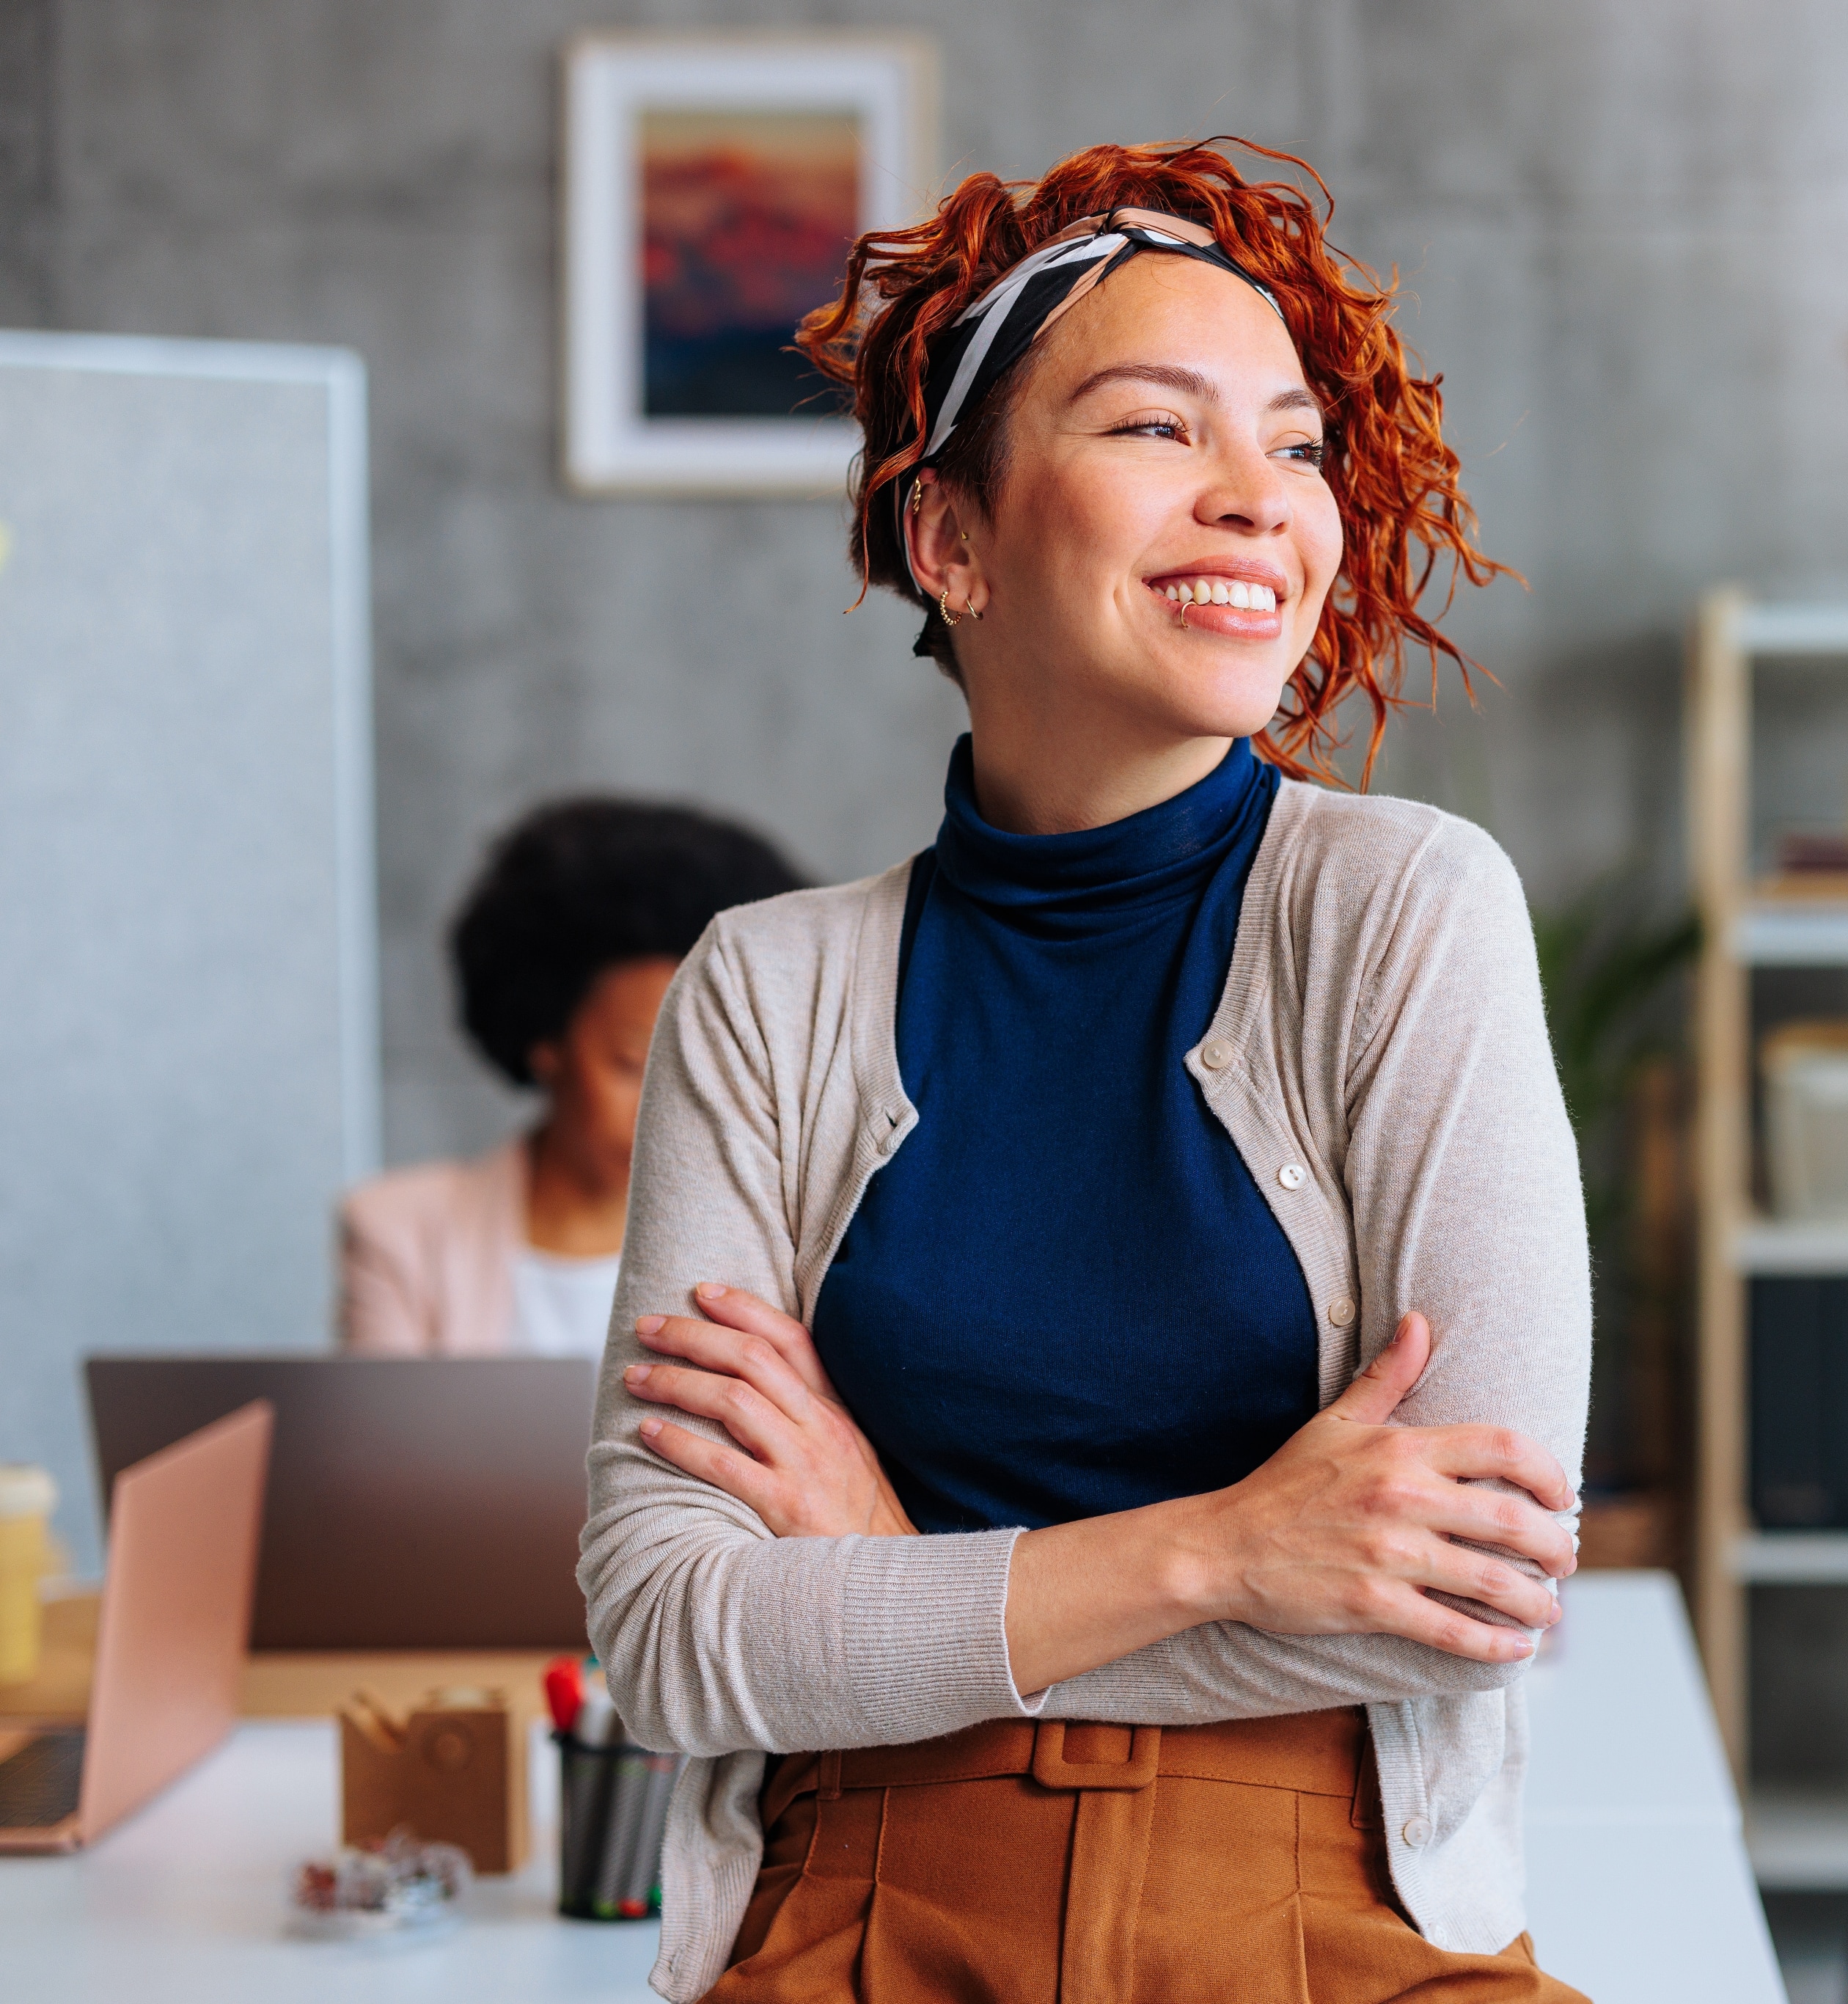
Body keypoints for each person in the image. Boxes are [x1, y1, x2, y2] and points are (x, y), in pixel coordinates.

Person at [571, 141, 1593, 2004]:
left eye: (1291, 447)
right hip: (859, 1905)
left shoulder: (1407, 914)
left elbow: (1468, 1607)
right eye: (1154, 430)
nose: (1257, 504)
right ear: (949, 540)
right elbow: (665, 1637)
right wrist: (1223, 1553)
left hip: (1332, 1912)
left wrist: (887, 1571)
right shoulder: (763, 989)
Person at [337, 800, 804, 1356]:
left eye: (714, 1077)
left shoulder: (792, 1254)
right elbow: (380, 1441)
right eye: (635, 1066)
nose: (673, 1116)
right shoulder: (400, 1233)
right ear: (545, 1038)